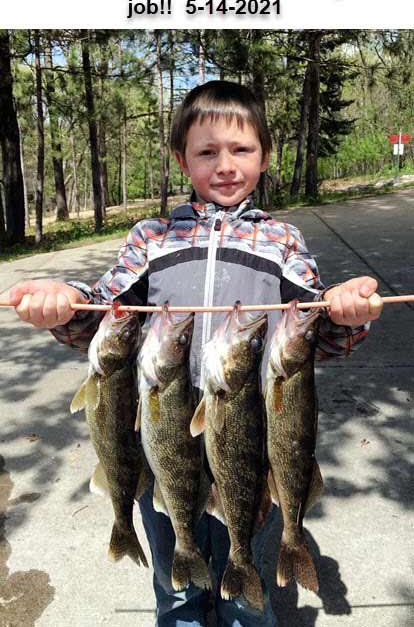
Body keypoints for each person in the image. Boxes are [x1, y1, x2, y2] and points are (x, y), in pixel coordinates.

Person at [9, 80, 383, 627]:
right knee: (177, 589)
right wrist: (63, 304)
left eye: (242, 150)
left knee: (244, 597)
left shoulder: (282, 242)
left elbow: (313, 331)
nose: (225, 165)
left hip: (248, 449)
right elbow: (105, 316)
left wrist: (345, 312)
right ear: (182, 161)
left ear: (265, 157)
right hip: (161, 451)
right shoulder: (150, 239)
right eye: (207, 152)